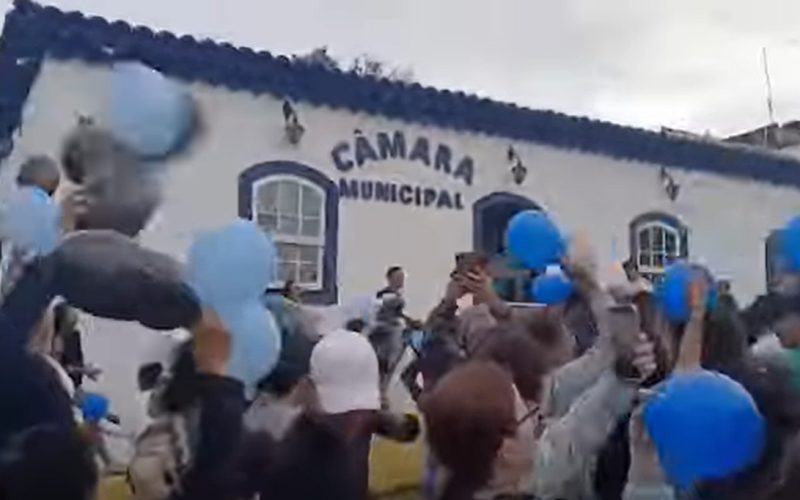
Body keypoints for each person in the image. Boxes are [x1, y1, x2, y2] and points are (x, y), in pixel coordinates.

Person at [250, 329, 419, 500]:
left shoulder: (363, 419)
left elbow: (404, 428)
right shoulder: (287, 456)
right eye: (339, 407)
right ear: (309, 389)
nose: (353, 419)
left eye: (360, 406)